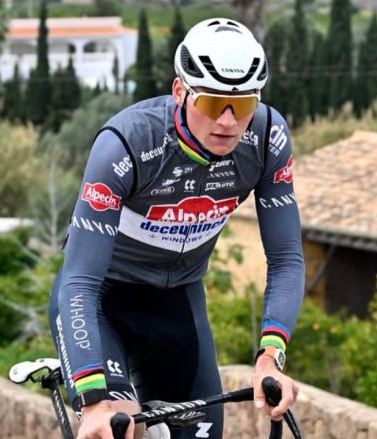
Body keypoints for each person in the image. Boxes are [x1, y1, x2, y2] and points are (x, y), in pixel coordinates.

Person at [49, 17, 305, 439]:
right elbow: (79, 280)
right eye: (213, 103)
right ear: (180, 92)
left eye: (243, 105)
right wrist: (94, 401)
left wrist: (269, 358)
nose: (228, 121)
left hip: (179, 301)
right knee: (120, 428)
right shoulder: (126, 144)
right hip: (103, 303)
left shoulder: (266, 139)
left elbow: (286, 259)